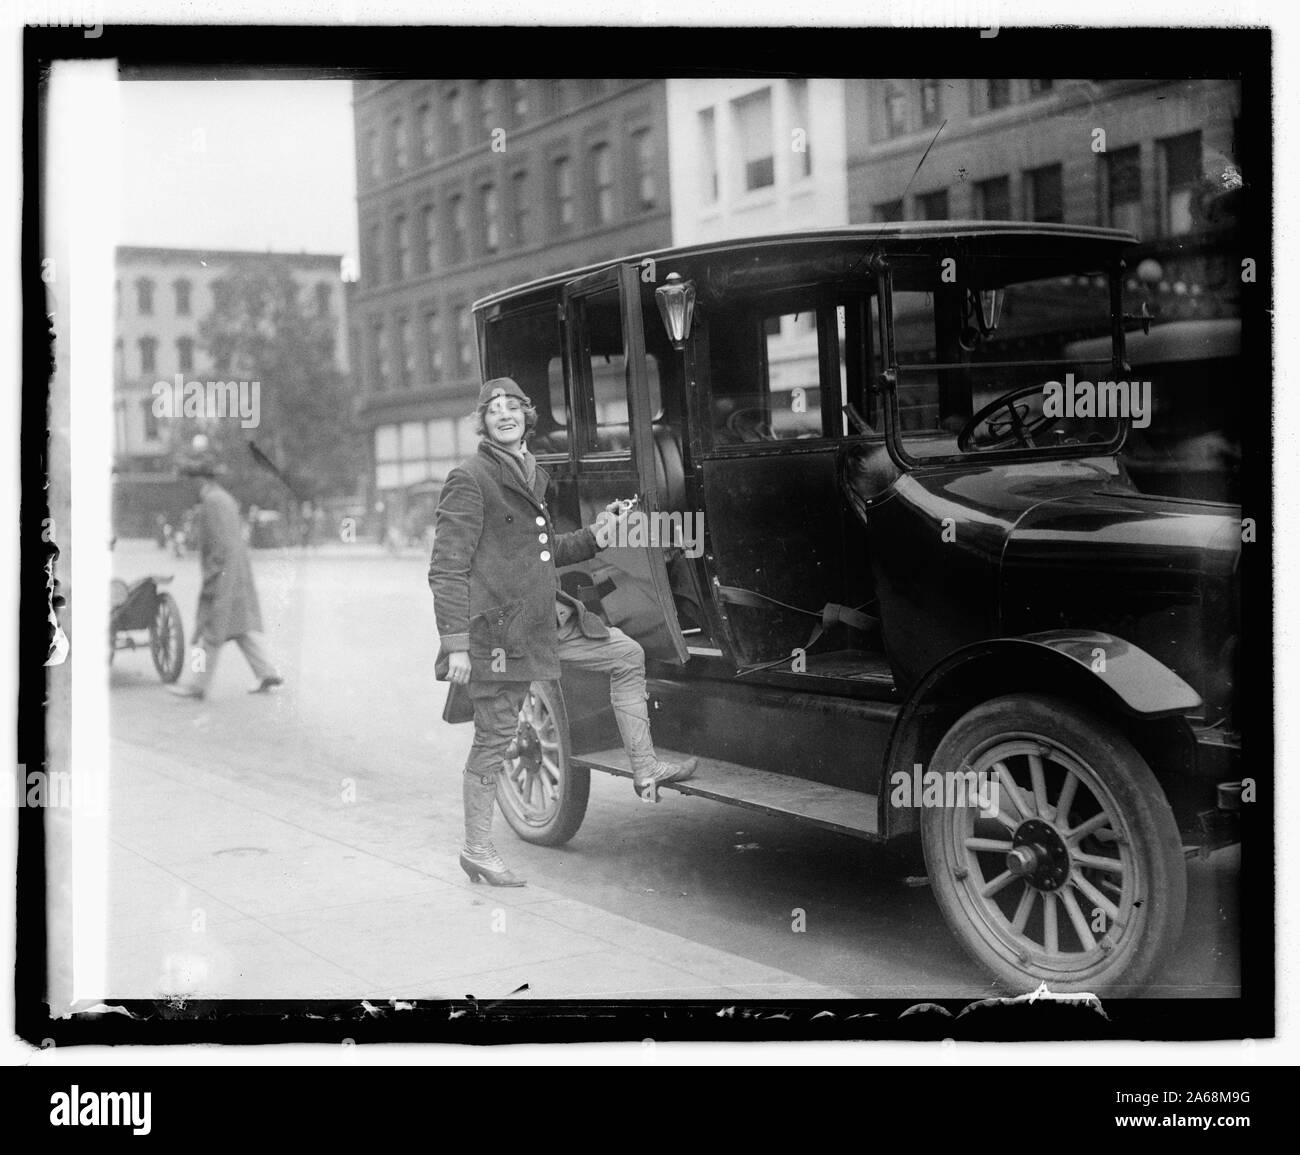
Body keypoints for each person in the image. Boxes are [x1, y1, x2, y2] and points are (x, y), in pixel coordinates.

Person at [428, 377, 695, 887]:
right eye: (493, 410)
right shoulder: (470, 478)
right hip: (503, 637)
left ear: (528, 416)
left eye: (513, 407)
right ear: (482, 423)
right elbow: (446, 568)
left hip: (550, 620)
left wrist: (600, 532)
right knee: (494, 741)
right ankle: (477, 850)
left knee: (626, 656)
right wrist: (456, 644)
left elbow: (546, 553)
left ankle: (646, 769)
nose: (504, 415)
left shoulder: (531, 472)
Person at [168, 455, 284, 700]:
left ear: (200, 480)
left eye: (190, 480)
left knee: (210, 631)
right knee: (239, 627)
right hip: (234, 572)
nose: (188, 485)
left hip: (223, 576)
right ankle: (267, 672)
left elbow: (220, 545)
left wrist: (212, 576)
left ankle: (196, 685)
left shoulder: (212, 501)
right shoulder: (223, 498)